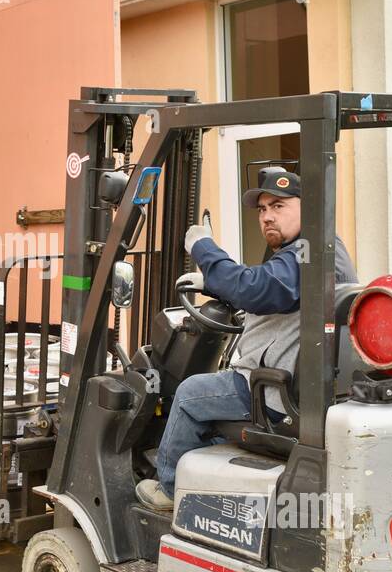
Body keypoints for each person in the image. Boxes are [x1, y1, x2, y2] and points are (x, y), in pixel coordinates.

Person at [134, 169, 358, 511]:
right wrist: (215, 283)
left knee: (189, 393)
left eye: (278, 206)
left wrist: (204, 250)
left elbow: (255, 289)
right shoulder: (318, 249)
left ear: (309, 207)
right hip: (297, 385)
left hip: (270, 392)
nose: (267, 216)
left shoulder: (308, 253)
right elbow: (265, 289)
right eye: (262, 209)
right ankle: (207, 480)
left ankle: (170, 488)